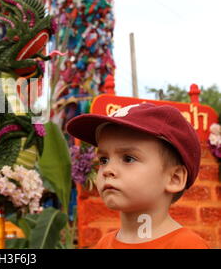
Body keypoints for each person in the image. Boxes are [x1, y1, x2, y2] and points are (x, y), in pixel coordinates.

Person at [66, 103, 210, 249]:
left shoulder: (187, 245)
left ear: (174, 178)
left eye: (128, 158)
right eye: (104, 160)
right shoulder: (103, 244)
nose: (107, 170)